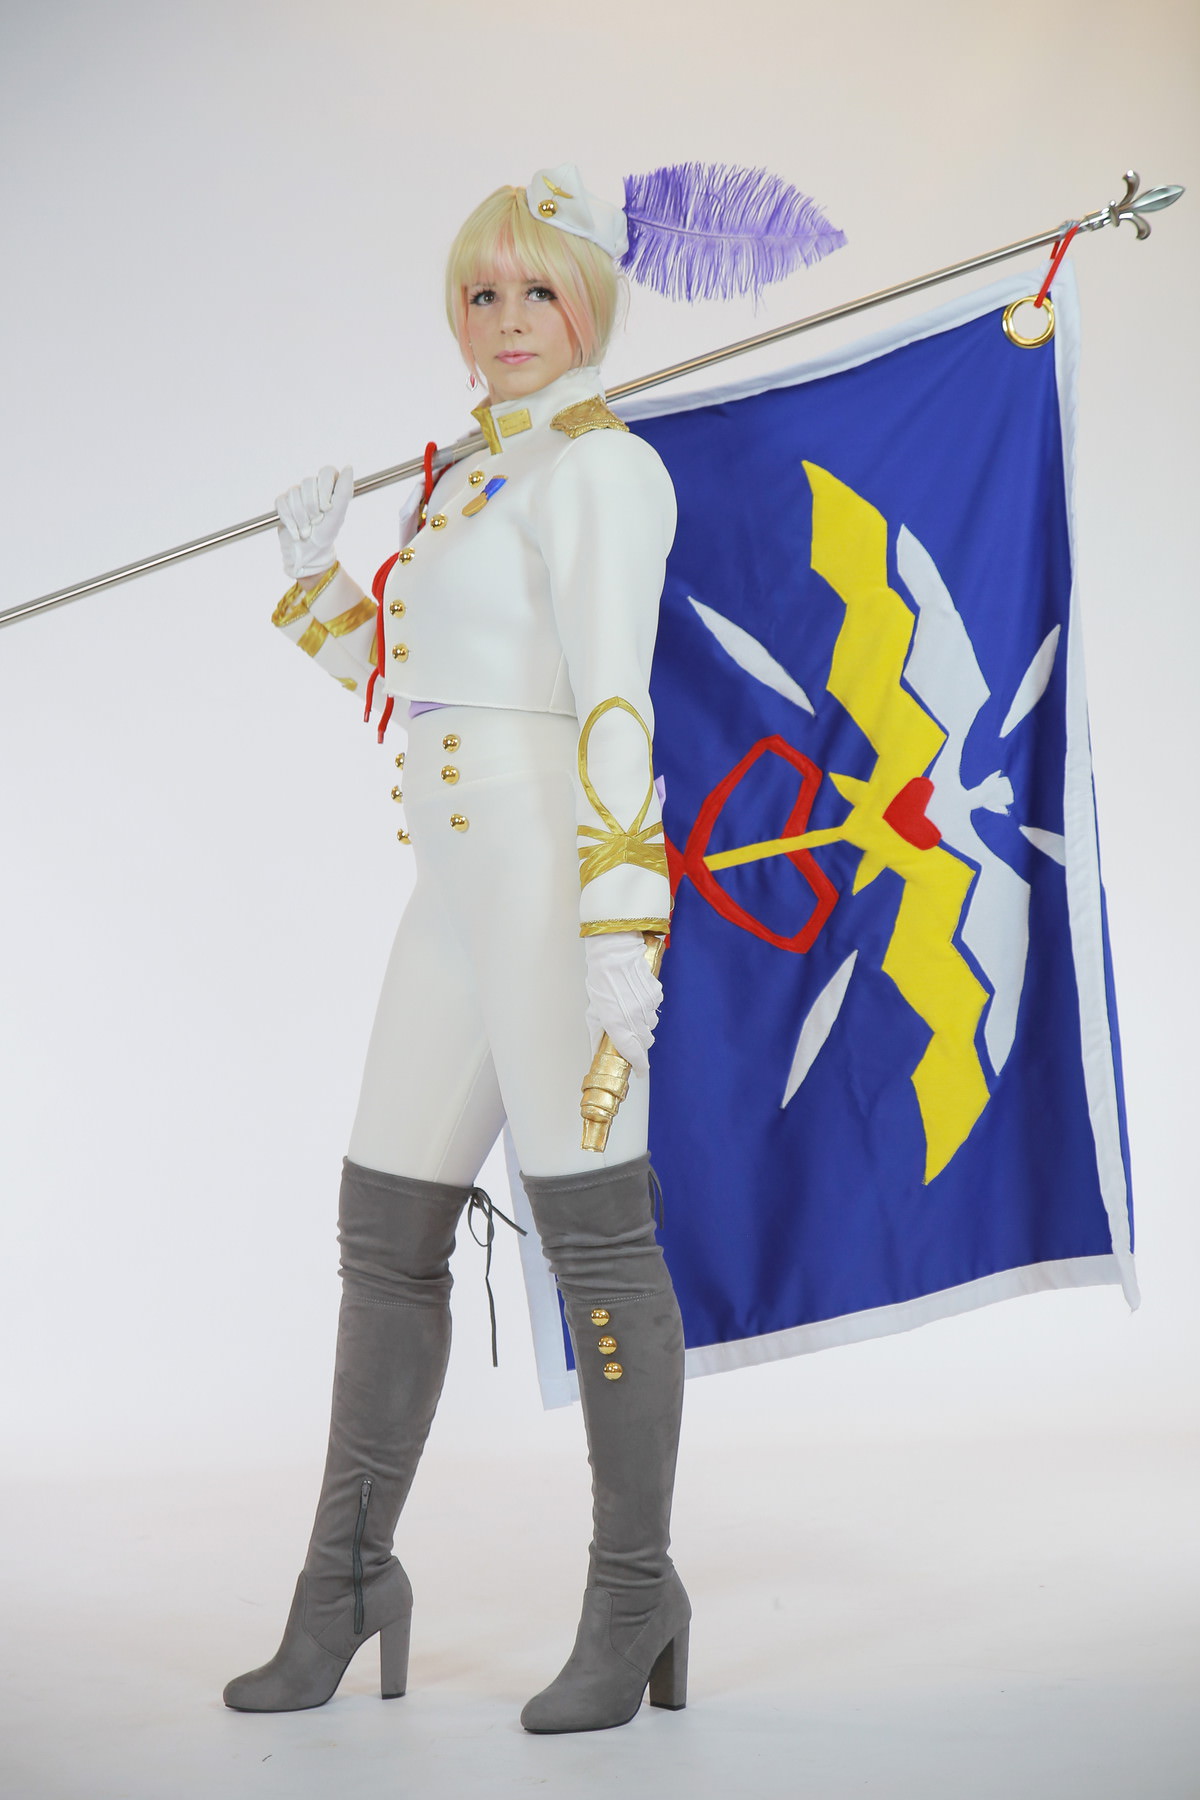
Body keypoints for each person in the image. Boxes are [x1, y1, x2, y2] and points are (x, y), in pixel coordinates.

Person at [222, 165, 689, 1735]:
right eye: (482, 293)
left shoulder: (602, 473)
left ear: (591, 303)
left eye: (537, 288)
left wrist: (623, 917)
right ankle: (345, 1583)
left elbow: (614, 703)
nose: (505, 318)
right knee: (384, 1226)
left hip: (556, 890)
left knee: (597, 1240)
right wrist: (316, 587)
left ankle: (633, 1594)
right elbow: (419, 690)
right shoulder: (465, 481)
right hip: (455, 899)